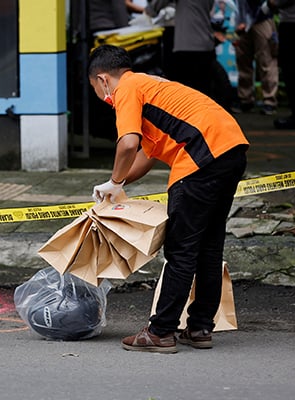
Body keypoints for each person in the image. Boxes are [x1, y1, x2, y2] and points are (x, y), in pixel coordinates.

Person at [88, 45, 249, 353]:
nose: (99, 93)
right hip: (230, 150)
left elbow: (126, 144)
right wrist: (116, 187)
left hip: (201, 157)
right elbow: (143, 155)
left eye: (95, 87)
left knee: (181, 249)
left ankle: (160, 332)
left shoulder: (127, 89)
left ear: (103, 79)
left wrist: (115, 180)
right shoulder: (152, 88)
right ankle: (200, 327)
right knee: (208, 247)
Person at [232, 0, 279, 115]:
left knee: (266, 60)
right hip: (241, 19)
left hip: (262, 18)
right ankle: (245, 99)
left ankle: (269, 100)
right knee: (243, 61)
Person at [270, 0, 295, 129]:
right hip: (292, 23)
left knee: (292, 71)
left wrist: (271, 3)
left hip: (294, 25)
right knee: (292, 71)